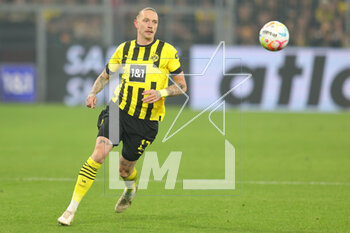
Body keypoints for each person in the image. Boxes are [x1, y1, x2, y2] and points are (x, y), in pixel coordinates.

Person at [57, 7, 187, 226]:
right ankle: (71, 209)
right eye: (146, 21)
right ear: (137, 24)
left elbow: (182, 85)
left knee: (124, 169)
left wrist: (161, 93)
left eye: (154, 22)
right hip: (119, 111)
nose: (150, 26)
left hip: (146, 122)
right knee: (99, 153)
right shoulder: (124, 49)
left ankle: (130, 190)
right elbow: (105, 75)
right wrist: (92, 93)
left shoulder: (167, 51)